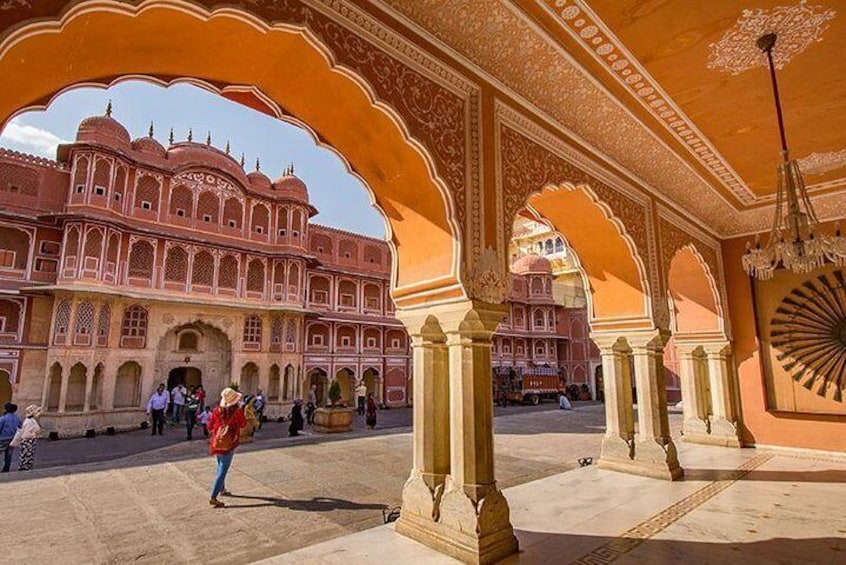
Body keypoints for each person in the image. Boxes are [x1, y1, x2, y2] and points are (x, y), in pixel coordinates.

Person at [207, 387, 247, 508]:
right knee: (222, 470)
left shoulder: (216, 411)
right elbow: (243, 424)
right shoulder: (237, 412)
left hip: (217, 442)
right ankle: (213, 497)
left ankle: (222, 489)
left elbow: (209, 426)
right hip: (229, 443)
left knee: (220, 465)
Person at [17, 404, 42, 471]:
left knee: (28, 456)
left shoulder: (32, 420)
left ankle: (27, 468)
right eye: (37, 411)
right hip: (28, 441)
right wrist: (35, 434)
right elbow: (27, 433)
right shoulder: (29, 421)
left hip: (30, 441)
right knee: (26, 456)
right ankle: (24, 469)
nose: (38, 413)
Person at [0, 402, 22, 473]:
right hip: (12, 439)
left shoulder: (3, 418)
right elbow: (20, 428)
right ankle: (6, 469)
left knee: (1, 454)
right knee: (9, 455)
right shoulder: (17, 419)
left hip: (2, 438)